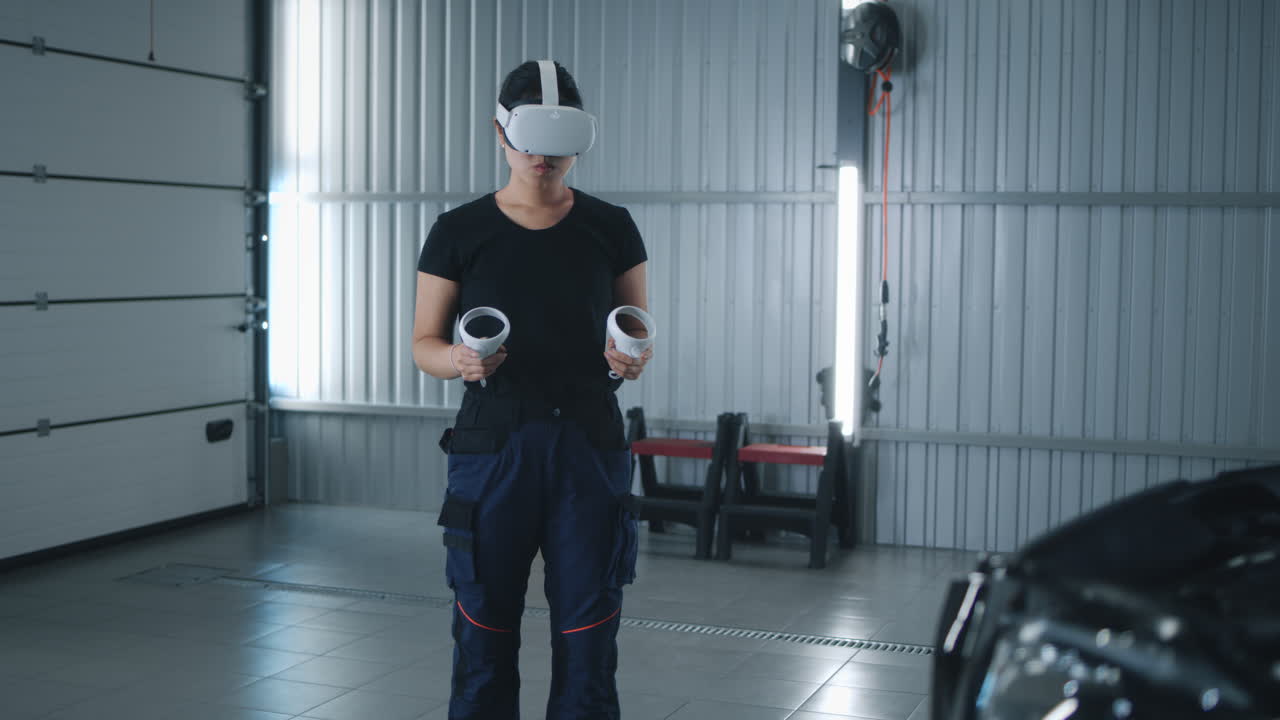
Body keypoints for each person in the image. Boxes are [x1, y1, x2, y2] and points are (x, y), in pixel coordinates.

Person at [411, 59, 652, 720]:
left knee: (588, 634)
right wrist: (458, 361)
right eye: (527, 138)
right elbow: (423, 344)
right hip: (494, 450)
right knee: (484, 629)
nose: (542, 156)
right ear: (499, 132)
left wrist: (630, 360)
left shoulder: (612, 227)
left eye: (557, 142)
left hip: (587, 444)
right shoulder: (460, 232)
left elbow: (635, 332)